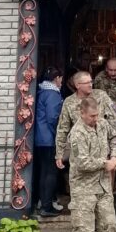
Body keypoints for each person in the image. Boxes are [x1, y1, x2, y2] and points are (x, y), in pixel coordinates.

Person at [68, 96, 116, 232]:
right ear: (82, 114)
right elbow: (82, 163)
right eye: (91, 116)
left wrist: (114, 155)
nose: (95, 119)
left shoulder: (102, 124)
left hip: (103, 188)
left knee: (111, 226)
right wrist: (104, 163)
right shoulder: (77, 133)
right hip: (84, 190)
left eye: (97, 115)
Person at [55, 72, 116, 170]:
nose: (90, 85)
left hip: (102, 149)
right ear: (77, 85)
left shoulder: (101, 96)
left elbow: (113, 121)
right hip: (80, 150)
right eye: (86, 83)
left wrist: (113, 151)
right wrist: (59, 154)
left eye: (91, 81)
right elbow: (63, 129)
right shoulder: (69, 102)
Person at [34, 66, 63, 218]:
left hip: (40, 138)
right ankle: (46, 206)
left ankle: (43, 202)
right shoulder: (53, 94)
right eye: (61, 78)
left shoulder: (42, 92)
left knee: (44, 171)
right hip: (49, 139)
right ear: (57, 78)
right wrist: (58, 135)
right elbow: (53, 118)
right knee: (50, 172)